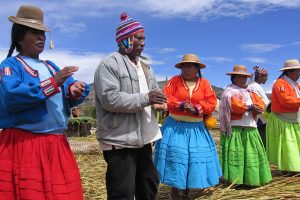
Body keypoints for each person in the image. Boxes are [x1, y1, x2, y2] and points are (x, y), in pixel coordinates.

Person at [0, 5, 90, 200]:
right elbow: (12, 97)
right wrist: (54, 82)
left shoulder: (49, 66)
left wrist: (75, 90)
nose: (41, 37)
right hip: (25, 144)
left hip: (57, 145)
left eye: (42, 33)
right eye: (35, 33)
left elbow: (68, 89)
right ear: (19, 37)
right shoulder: (11, 65)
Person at [94, 12, 167, 200]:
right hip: (120, 139)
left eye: (144, 39)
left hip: (143, 137)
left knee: (148, 185)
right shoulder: (109, 65)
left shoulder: (145, 66)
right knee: (122, 191)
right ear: (126, 39)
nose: (143, 43)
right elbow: (110, 99)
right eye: (139, 38)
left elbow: (153, 93)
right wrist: (147, 99)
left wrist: (160, 102)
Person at [154, 54, 222, 200]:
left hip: (196, 128)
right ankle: (174, 193)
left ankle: (186, 192)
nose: (186, 69)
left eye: (189, 66)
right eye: (184, 66)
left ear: (197, 68)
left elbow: (211, 102)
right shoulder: (174, 81)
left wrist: (197, 108)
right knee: (177, 159)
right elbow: (166, 97)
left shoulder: (204, 83)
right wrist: (181, 105)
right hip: (175, 127)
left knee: (192, 160)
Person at [219, 65, 272, 186]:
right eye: (239, 77)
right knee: (237, 155)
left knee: (250, 155)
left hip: (250, 128)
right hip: (235, 128)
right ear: (233, 78)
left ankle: (251, 180)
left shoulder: (250, 91)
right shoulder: (229, 92)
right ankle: (235, 181)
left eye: (244, 77)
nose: (242, 79)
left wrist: (258, 108)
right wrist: (249, 107)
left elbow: (260, 104)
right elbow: (235, 106)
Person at [266, 59, 300, 172]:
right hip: (283, 119)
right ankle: (289, 168)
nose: (299, 74)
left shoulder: (295, 84)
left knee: (294, 144)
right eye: (298, 71)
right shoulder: (280, 84)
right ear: (290, 72)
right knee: (288, 146)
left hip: (293, 119)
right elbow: (286, 101)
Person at [248, 66, 270, 148]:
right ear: (260, 76)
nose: (267, 79)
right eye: (266, 76)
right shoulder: (255, 87)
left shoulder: (254, 86)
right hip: (260, 118)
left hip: (260, 116)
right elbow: (262, 102)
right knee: (261, 140)